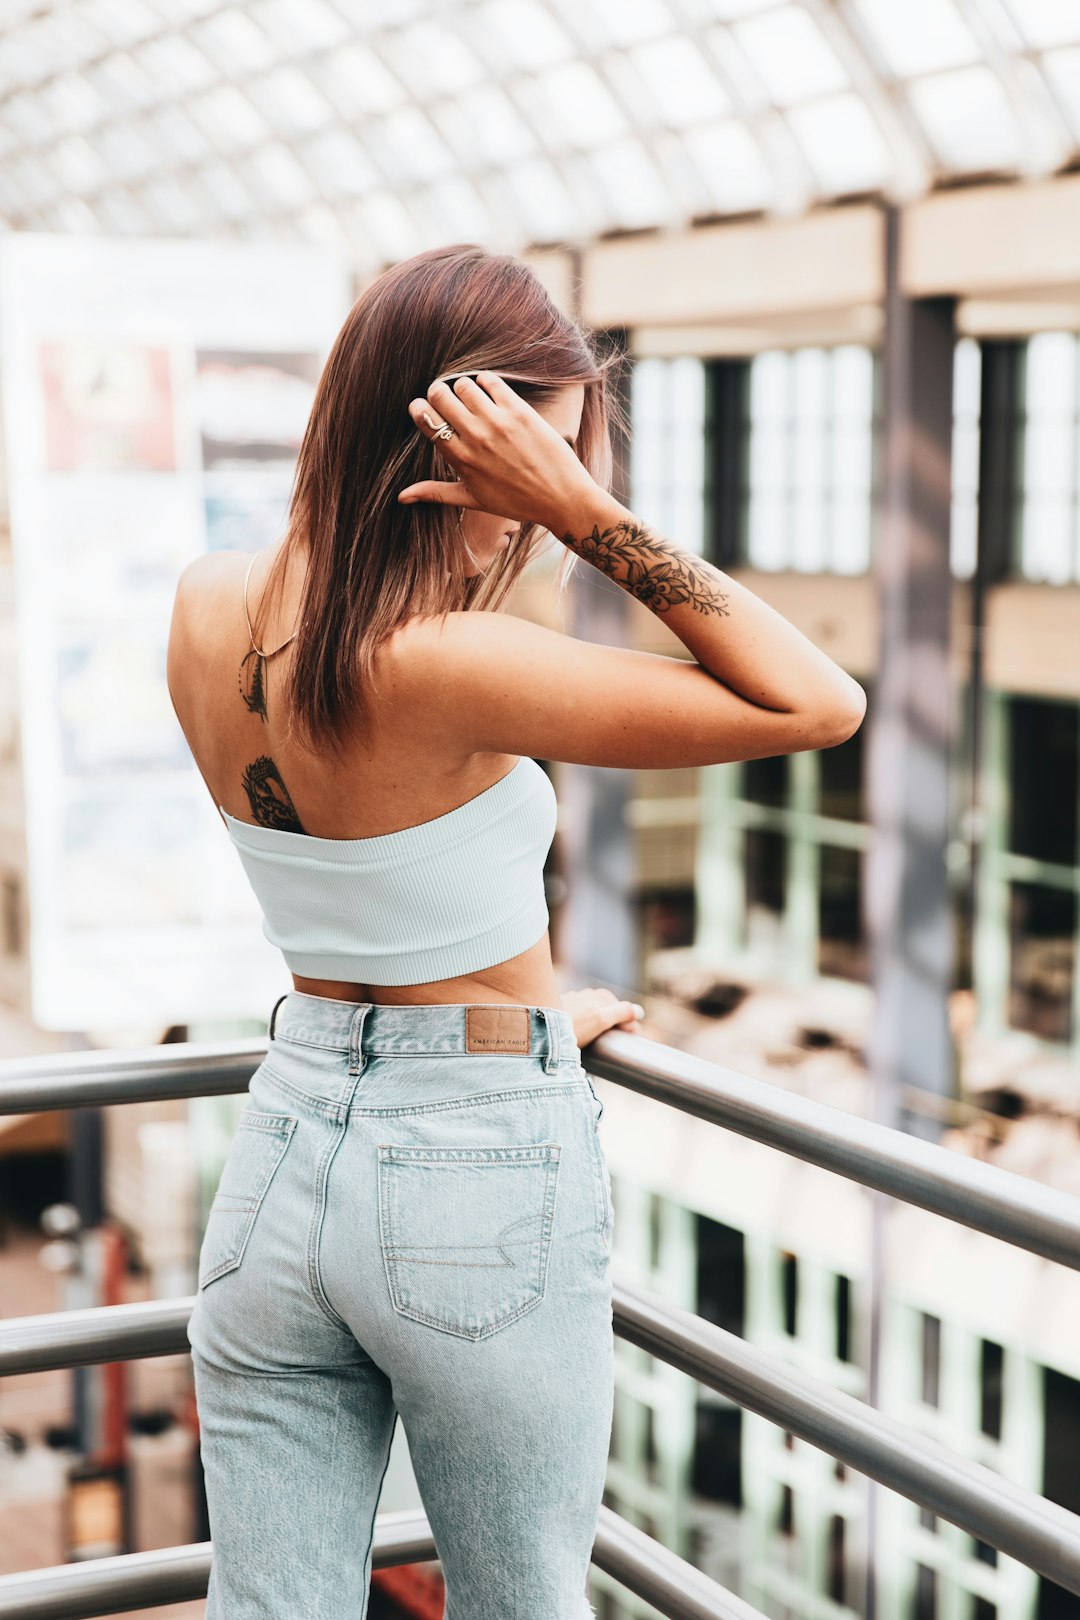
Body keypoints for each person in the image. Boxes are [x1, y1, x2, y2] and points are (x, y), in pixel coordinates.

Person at [166, 242, 865, 1620]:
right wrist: (592, 508)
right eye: (531, 472)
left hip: (286, 1139)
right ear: (458, 450)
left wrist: (533, 1009)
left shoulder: (204, 604)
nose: (531, 526)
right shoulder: (443, 662)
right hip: (469, 1156)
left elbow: (373, 892)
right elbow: (814, 702)